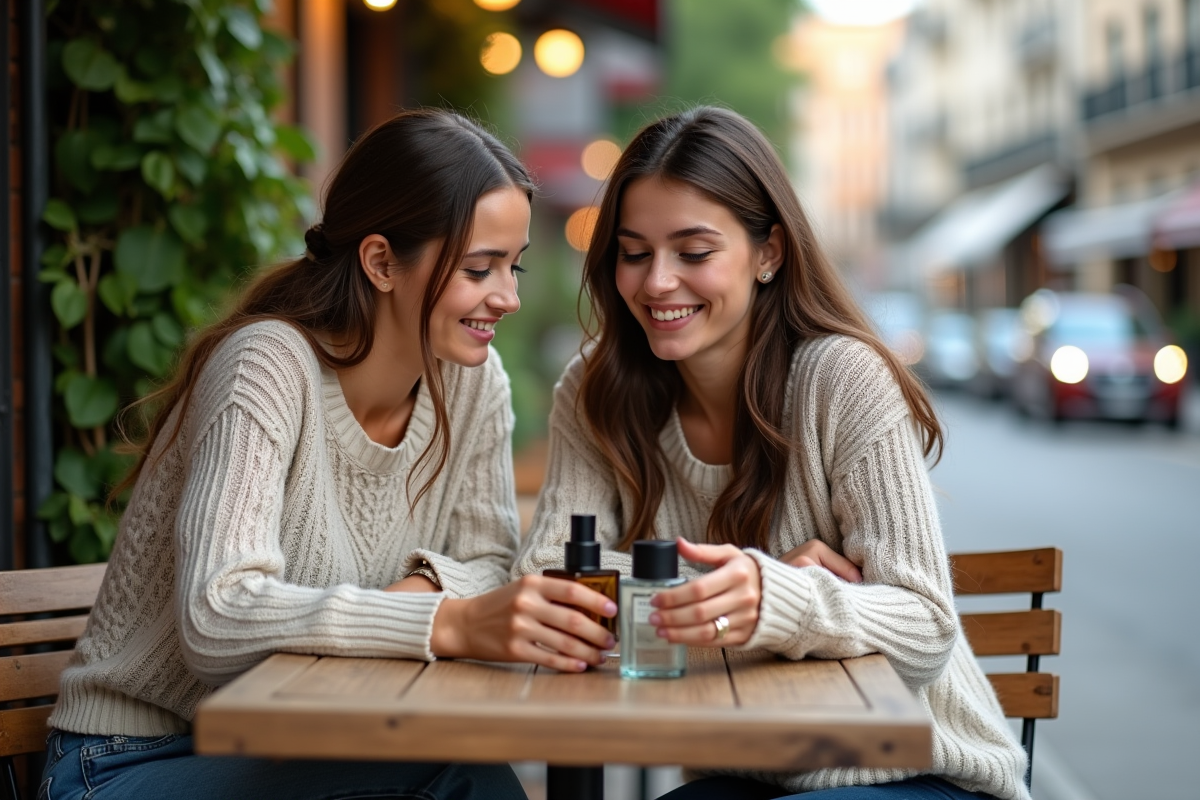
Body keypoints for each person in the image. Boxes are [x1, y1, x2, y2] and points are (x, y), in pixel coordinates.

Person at [41, 109, 616, 800]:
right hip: (129, 760)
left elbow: (490, 563)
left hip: (310, 739)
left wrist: (412, 599)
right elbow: (217, 618)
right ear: (380, 262)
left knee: (458, 765)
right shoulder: (266, 368)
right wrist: (447, 617)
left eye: (513, 266)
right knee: (458, 773)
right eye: (478, 268)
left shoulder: (472, 382)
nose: (509, 297)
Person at [513, 106, 1031, 800]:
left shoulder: (841, 378)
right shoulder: (595, 389)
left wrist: (772, 599)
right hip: (751, 771)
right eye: (634, 253)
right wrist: (771, 585)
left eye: (693, 252)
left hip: (922, 771)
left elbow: (926, 627)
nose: (657, 281)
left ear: (769, 253)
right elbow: (550, 582)